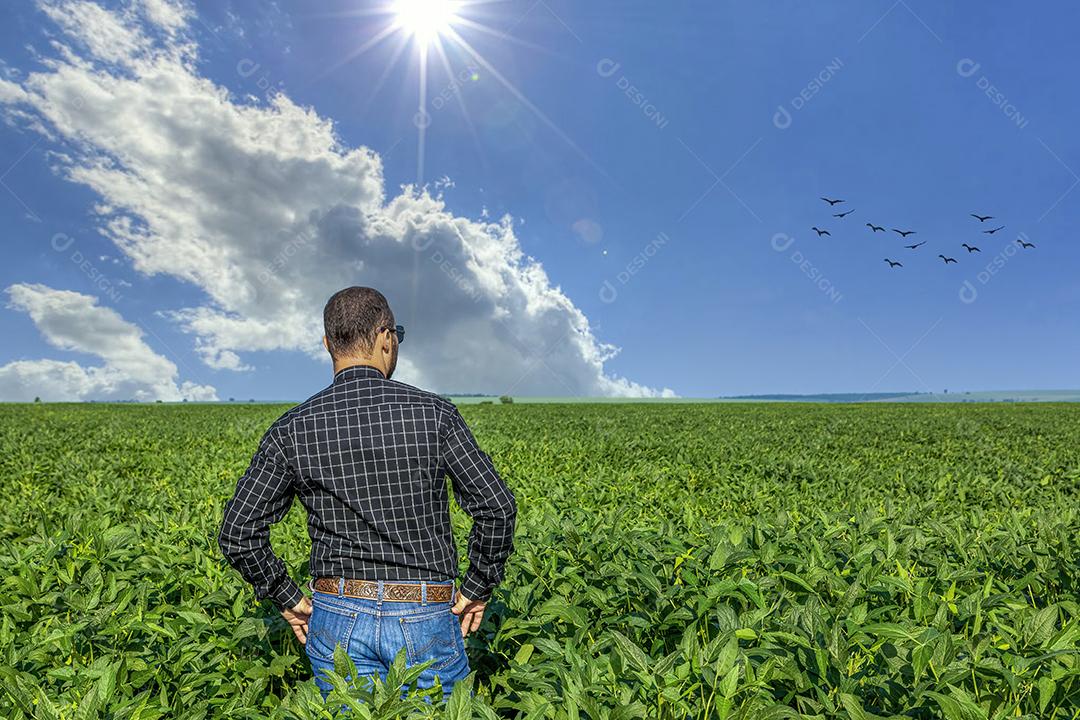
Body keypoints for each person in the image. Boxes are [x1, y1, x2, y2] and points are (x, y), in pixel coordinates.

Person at [217, 286, 518, 703]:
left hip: (336, 613)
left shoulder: (292, 429)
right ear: (386, 337)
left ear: (328, 344)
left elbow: (238, 531)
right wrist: (479, 584)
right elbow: (497, 507)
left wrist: (287, 597)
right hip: (425, 610)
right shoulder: (435, 415)